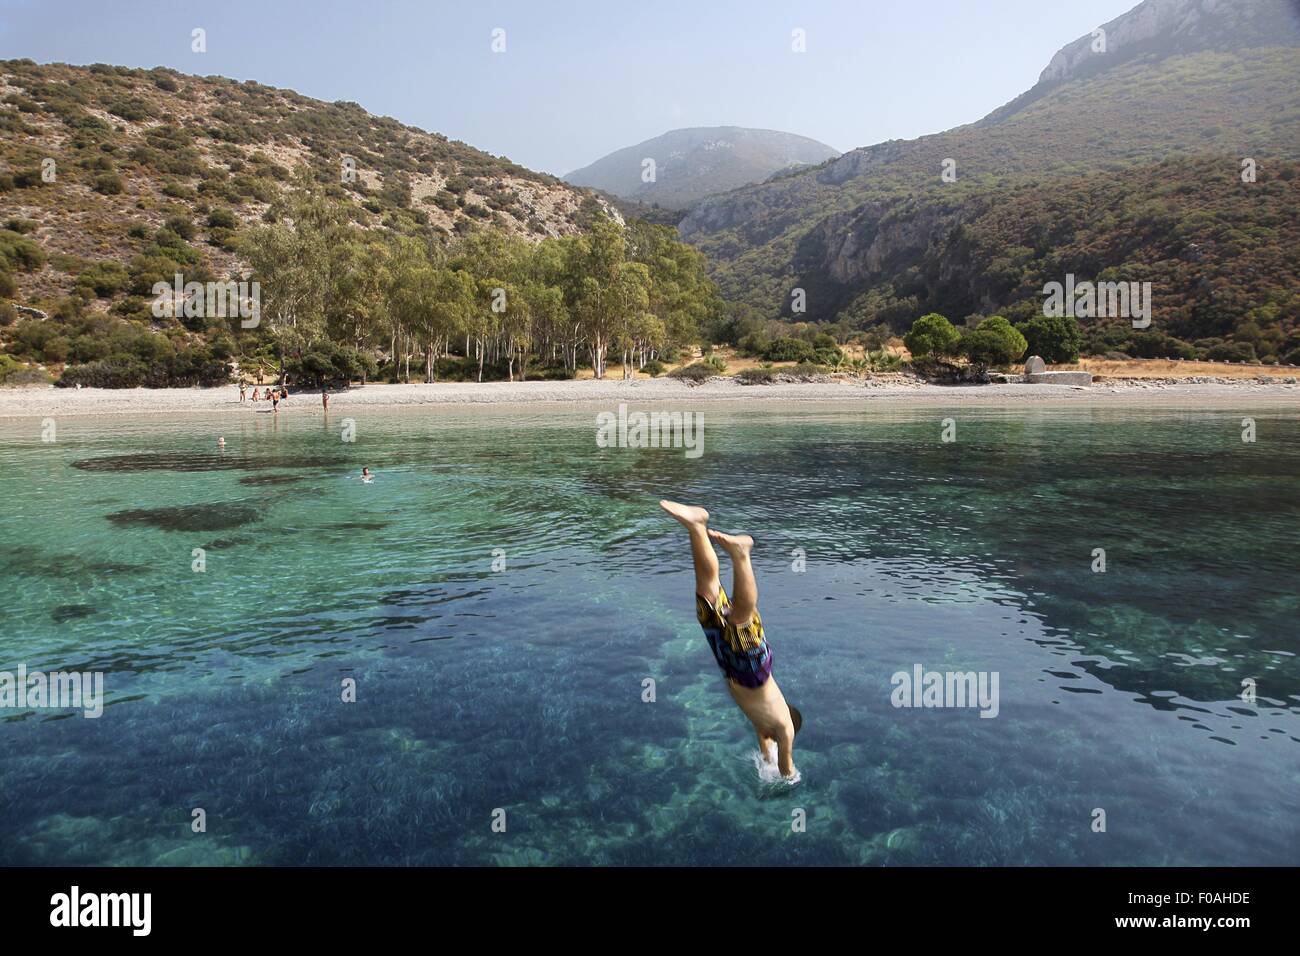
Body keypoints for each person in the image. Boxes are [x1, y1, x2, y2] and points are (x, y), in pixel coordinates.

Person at [660, 500, 801, 781]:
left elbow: (766, 750)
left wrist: (765, 758)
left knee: (708, 598)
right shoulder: (785, 728)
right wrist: (790, 781)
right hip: (753, 672)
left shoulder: (763, 727)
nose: (767, 739)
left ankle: (697, 525)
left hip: (728, 664)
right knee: (741, 619)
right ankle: (741, 554)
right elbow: (786, 765)